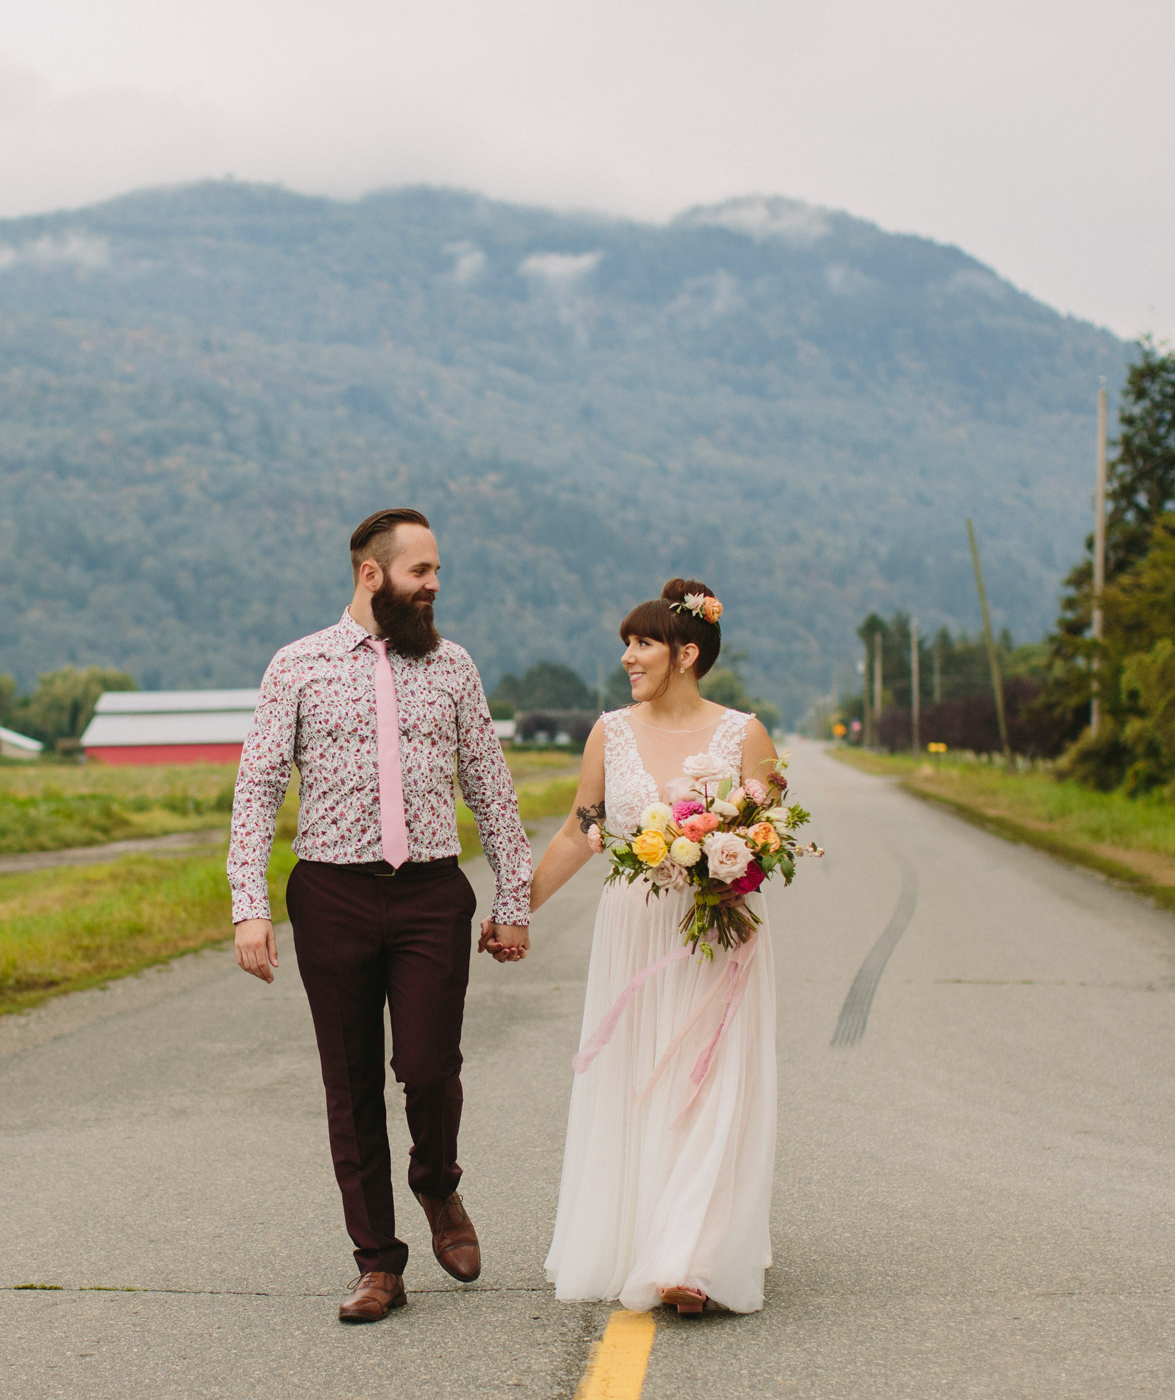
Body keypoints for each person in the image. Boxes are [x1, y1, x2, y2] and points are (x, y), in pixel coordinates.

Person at [227, 507, 535, 1324]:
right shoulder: (297, 666)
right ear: (373, 575)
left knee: (430, 1069)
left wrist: (514, 899)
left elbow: (491, 786)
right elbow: (258, 786)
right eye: (421, 572)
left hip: (432, 892)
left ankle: (437, 1186)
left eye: (436, 573)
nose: (434, 587)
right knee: (351, 1082)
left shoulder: (454, 668)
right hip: (331, 893)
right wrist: (248, 906)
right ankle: (378, 1264)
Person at [528, 578, 781, 1316]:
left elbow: (769, 838)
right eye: (627, 644)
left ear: (687, 652)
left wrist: (725, 863)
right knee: (642, 1077)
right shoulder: (611, 731)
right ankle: (648, 1233)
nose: (628, 657)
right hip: (634, 930)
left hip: (717, 930)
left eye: (642, 643)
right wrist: (518, 906)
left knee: (711, 1081)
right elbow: (583, 829)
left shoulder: (745, 735)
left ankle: (693, 1260)